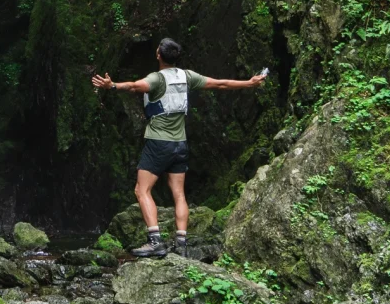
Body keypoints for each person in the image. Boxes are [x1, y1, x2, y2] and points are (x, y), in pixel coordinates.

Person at [92, 38, 266, 258]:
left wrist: (113, 85)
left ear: (158, 54)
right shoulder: (187, 76)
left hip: (158, 143)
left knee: (142, 190)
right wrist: (250, 83)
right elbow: (221, 84)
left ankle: (155, 241)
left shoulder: (156, 79)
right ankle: (181, 244)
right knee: (179, 193)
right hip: (180, 144)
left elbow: (136, 86)